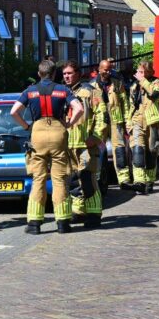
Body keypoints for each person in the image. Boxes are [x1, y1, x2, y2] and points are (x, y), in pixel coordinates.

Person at [10, 59, 84, 234]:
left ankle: (34, 223)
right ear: (53, 74)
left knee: (38, 179)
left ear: (39, 73)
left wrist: (27, 127)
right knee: (59, 179)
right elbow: (79, 108)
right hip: (58, 132)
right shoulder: (63, 90)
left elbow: (14, 111)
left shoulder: (30, 91)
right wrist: (69, 124)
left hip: (38, 133)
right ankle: (63, 222)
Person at [62, 60, 107, 228]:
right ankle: (79, 212)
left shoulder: (90, 92)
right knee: (73, 180)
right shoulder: (63, 92)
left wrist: (95, 137)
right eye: (64, 73)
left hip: (86, 143)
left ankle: (94, 214)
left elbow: (102, 116)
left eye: (70, 73)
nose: (67, 76)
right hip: (69, 144)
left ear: (78, 74)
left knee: (88, 179)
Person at [93, 59, 133, 188]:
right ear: (99, 69)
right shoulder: (92, 86)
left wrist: (127, 120)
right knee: (97, 150)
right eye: (105, 69)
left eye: (110, 69)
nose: (108, 72)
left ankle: (124, 179)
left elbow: (125, 103)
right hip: (100, 122)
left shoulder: (117, 83)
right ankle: (96, 178)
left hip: (116, 120)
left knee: (119, 149)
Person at [127, 61, 159, 194]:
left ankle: (149, 182)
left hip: (152, 122)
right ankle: (139, 182)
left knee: (151, 153)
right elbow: (131, 105)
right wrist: (128, 122)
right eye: (138, 72)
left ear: (149, 72)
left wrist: (142, 80)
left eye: (142, 72)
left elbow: (154, 94)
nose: (139, 74)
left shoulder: (158, 83)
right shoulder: (134, 86)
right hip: (137, 121)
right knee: (137, 150)